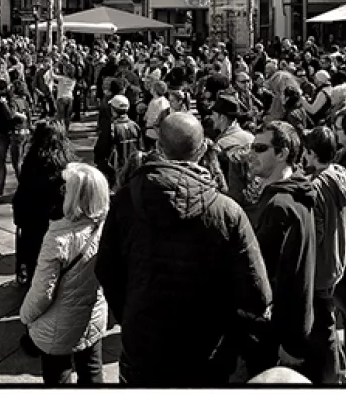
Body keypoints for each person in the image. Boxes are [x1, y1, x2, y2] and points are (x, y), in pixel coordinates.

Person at [95, 112, 271, 386]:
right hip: (205, 349)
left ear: (158, 148)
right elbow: (257, 295)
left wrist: (129, 311)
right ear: (202, 151)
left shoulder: (126, 199)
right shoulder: (228, 211)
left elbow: (106, 268)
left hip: (144, 342)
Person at [20, 163, 109, 385]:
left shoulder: (58, 238)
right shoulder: (104, 226)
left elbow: (43, 292)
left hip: (58, 325)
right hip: (93, 316)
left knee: (58, 375)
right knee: (92, 371)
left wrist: (25, 316)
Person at [246, 120, 317, 377]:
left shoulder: (280, 206)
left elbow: (274, 276)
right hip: (292, 329)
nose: (250, 153)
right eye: (251, 147)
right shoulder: (297, 192)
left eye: (260, 148)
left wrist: (290, 343)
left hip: (280, 334)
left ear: (282, 153)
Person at [301, 126, 346, 383]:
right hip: (339, 260)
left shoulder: (317, 187)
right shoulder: (339, 174)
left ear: (311, 153)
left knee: (325, 327)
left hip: (323, 268)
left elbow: (314, 236)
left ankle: (331, 378)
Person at [13, 120, 74, 287]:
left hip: (33, 217)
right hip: (56, 217)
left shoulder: (31, 161)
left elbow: (23, 190)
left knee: (34, 254)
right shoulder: (65, 162)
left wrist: (19, 216)